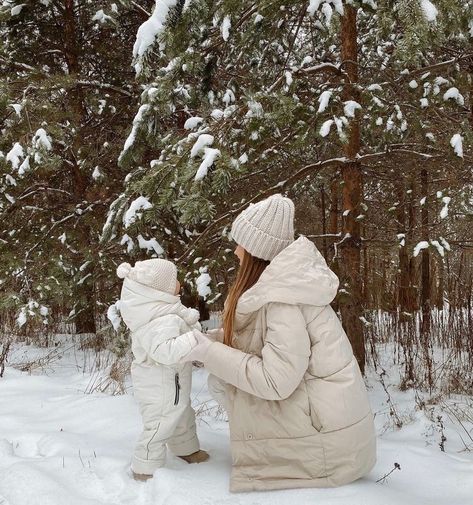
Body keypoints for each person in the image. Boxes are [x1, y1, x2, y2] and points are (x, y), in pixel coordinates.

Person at [181, 194, 376, 492]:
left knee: (236, 378)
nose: (235, 251)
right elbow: (262, 342)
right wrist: (213, 341)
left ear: (257, 253)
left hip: (327, 450)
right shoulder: (283, 287)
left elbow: (276, 381)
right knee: (226, 373)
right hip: (331, 436)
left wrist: (210, 353)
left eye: (241, 244)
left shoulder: (283, 301)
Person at [117, 259, 209, 481]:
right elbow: (164, 351)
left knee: (182, 415)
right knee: (160, 424)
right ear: (159, 289)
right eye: (174, 280)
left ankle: (186, 449)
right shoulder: (158, 319)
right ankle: (145, 467)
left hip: (173, 381)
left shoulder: (165, 311)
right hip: (158, 385)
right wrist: (194, 339)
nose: (179, 283)